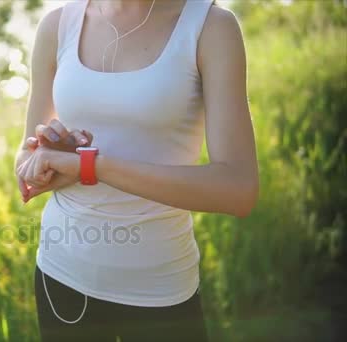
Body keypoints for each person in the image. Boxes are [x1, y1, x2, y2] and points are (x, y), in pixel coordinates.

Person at [14, 0, 258, 341]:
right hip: (62, 276)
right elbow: (26, 157)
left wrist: (91, 166)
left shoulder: (210, 26)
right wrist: (47, 160)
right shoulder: (57, 24)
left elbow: (238, 189)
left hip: (160, 288)